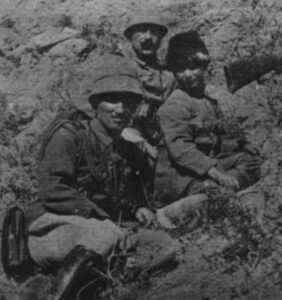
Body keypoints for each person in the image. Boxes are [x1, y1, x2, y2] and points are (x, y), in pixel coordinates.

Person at [24, 54, 159, 299]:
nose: (121, 110)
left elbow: (115, 191)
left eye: (128, 103)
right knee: (107, 235)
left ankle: (79, 283)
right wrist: (101, 217)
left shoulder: (120, 146)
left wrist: (137, 206)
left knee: (156, 244)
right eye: (112, 101)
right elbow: (53, 190)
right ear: (95, 104)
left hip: (89, 229)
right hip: (49, 227)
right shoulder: (69, 135)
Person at [153, 31, 261, 227]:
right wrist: (216, 173)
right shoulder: (174, 105)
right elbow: (181, 150)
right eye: (180, 69)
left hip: (204, 168)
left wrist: (242, 145)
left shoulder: (208, 102)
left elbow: (219, 136)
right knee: (215, 193)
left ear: (204, 66)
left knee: (251, 161)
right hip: (179, 179)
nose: (187, 75)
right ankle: (170, 212)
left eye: (193, 67)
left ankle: (221, 190)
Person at [123, 5, 177, 145]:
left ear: (161, 38)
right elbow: (88, 105)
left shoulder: (170, 77)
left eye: (153, 32)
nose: (147, 37)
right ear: (130, 36)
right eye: (141, 31)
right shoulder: (118, 67)